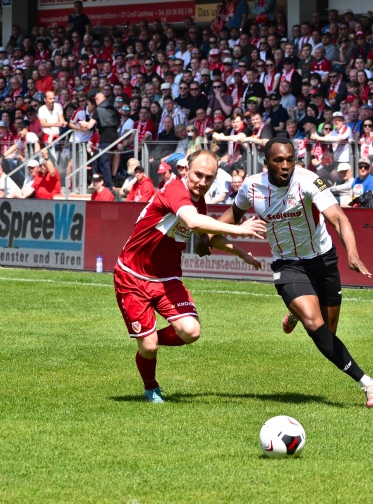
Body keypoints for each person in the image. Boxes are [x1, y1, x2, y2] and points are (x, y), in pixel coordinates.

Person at [203, 136, 373, 408]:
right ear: (266, 164)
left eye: (290, 159)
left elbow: (338, 217)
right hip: (288, 264)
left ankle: (295, 312)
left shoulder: (309, 180)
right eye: (279, 160)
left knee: (329, 333)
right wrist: (209, 236)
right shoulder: (251, 188)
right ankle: (368, 383)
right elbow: (226, 220)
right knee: (315, 325)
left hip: (322, 260)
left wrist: (353, 254)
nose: (286, 165)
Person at [114, 149, 266, 403]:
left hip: (167, 278)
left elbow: (205, 237)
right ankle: (151, 385)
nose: (202, 182)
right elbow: (194, 223)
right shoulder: (175, 190)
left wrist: (241, 253)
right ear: (186, 170)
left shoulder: (199, 201)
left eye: (209, 178)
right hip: (133, 276)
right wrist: (240, 230)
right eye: (198, 175)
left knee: (191, 331)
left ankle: (146, 339)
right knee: (149, 347)